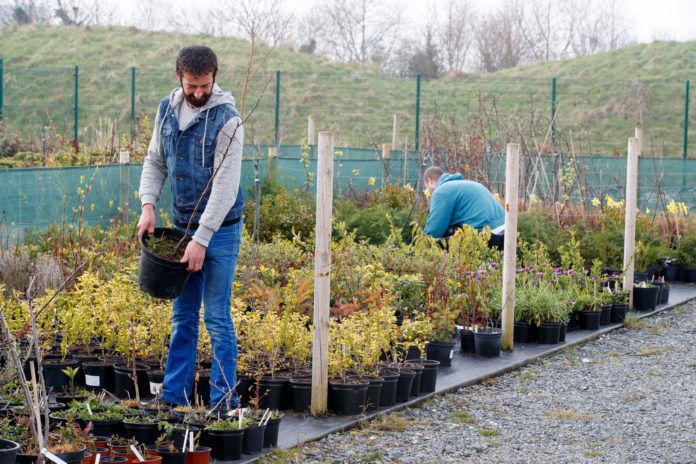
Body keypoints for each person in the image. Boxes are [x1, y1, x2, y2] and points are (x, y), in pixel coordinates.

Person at [137, 46, 245, 407]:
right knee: (183, 316)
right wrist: (148, 205)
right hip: (182, 228)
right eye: (191, 85)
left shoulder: (229, 120)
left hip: (221, 230)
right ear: (178, 77)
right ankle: (172, 399)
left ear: (215, 75)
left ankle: (222, 404)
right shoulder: (167, 111)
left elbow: (226, 187)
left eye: (205, 85)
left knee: (216, 316)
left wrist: (201, 239)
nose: (198, 93)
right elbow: (155, 161)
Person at [423, 166, 505, 250]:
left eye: (426, 187)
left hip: (487, 233)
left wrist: (422, 249)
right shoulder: (463, 185)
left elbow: (435, 229)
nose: (429, 192)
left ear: (429, 181)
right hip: (506, 230)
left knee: (447, 238)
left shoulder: (441, 191)